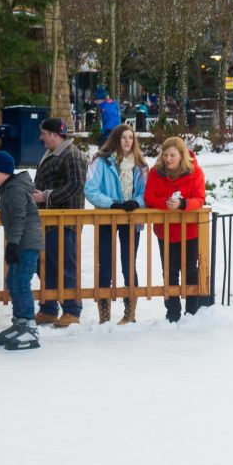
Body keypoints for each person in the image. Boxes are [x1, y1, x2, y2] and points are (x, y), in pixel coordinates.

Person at [84, 124, 147, 324]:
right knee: (105, 265)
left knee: (129, 264)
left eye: (131, 137)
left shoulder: (141, 165)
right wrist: (112, 204)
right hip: (107, 217)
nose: (128, 141)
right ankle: (104, 313)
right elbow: (91, 190)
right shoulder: (101, 162)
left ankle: (130, 312)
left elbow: (147, 192)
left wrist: (137, 202)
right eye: (123, 137)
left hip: (130, 217)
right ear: (115, 139)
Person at [0, 150, 42, 351]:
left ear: (4, 171)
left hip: (26, 243)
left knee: (21, 282)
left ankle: (30, 326)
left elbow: (19, 219)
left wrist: (13, 244)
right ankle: (20, 322)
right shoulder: (8, 188)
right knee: (13, 282)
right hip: (20, 242)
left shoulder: (15, 189)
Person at [143, 136, 208, 323]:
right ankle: (172, 312)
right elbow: (149, 197)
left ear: (181, 155)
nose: (168, 159)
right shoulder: (156, 172)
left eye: (172, 155)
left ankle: (192, 311)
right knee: (169, 271)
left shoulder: (195, 171)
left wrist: (183, 203)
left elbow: (199, 198)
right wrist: (165, 203)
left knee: (191, 271)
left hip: (190, 231)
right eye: (165, 155)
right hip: (165, 231)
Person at [33, 118, 86, 326]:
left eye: (44, 133)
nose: (41, 138)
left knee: (65, 266)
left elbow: (75, 186)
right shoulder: (53, 153)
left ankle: (72, 309)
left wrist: (45, 196)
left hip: (65, 221)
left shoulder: (71, 155)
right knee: (45, 265)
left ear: (55, 134)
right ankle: (48, 307)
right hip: (47, 221)